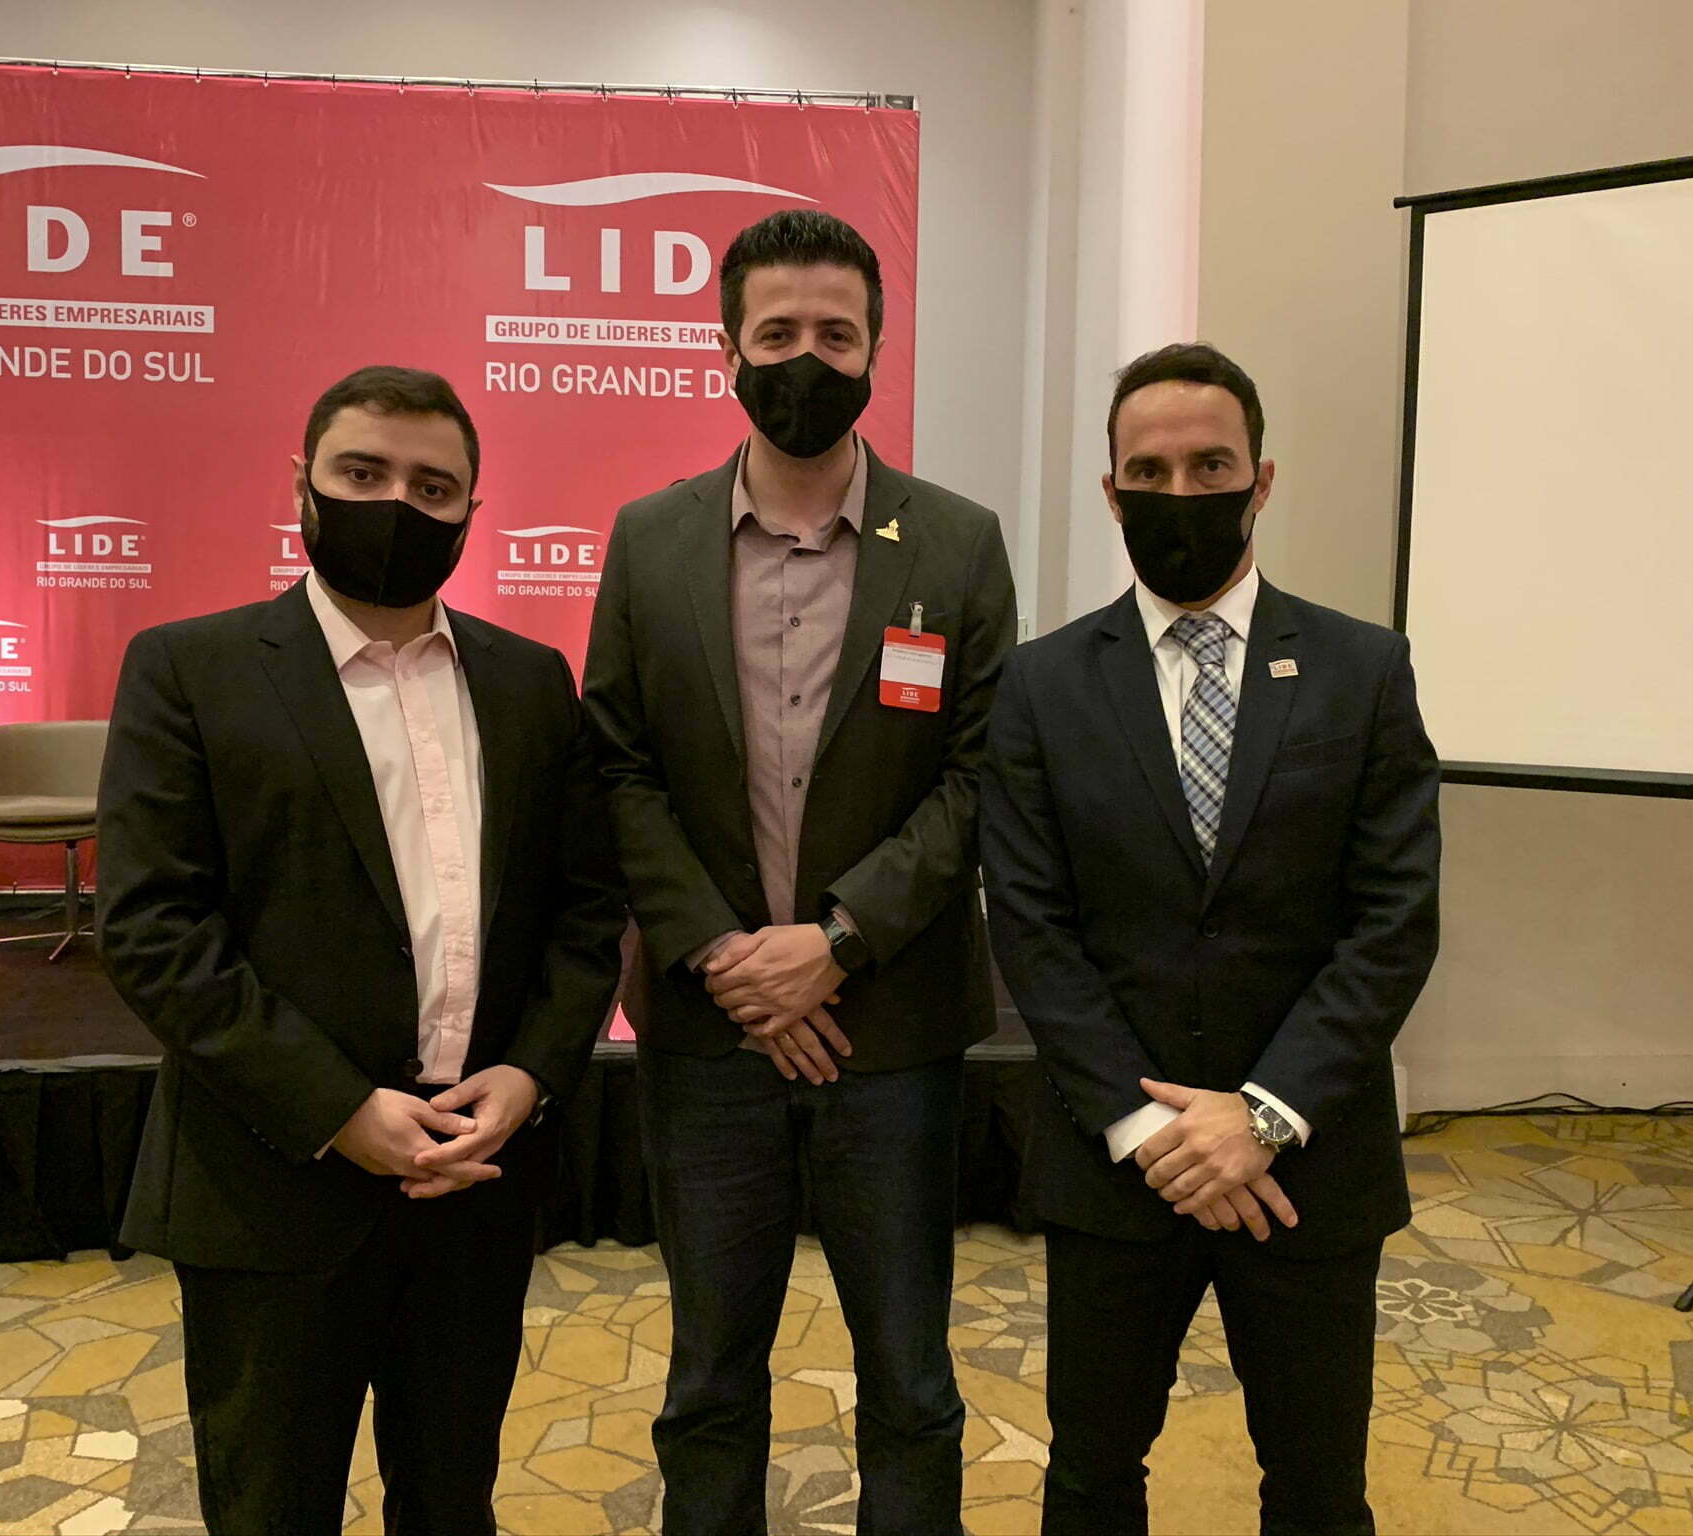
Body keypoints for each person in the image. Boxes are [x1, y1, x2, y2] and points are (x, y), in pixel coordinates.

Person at [96, 365, 626, 1535]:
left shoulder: (530, 682)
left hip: (475, 1184)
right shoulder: (189, 669)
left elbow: (584, 912)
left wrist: (531, 1073)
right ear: (303, 483)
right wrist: (338, 1109)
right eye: (363, 473)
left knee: (452, 1503)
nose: (397, 504)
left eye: (432, 487)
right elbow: (152, 929)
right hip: (272, 1185)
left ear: (472, 510)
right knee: (270, 1508)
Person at [582, 209, 1017, 1536]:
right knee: (710, 1378)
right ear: (726, 350)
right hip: (707, 1032)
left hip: (891, 1029)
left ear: (877, 349)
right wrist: (730, 958)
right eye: (777, 333)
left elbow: (979, 777)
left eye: (836, 333)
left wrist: (832, 944)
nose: (806, 359)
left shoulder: (957, 542)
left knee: (911, 1381)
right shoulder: (648, 538)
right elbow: (616, 766)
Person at [981, 343, 1441, 1535]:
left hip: (1306, 1164)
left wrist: (1262, 1114)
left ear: (1260, 480)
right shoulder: (1039, 685)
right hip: (1116, 1161)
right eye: (1148, 470)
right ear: (1109, 490)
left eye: (1208, 466)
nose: (1177, 492)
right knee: (1090, 1476)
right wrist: (1152, 1132)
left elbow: (1393, 918)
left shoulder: (1361, 669)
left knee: (1316, 1487)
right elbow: (1029, 924)